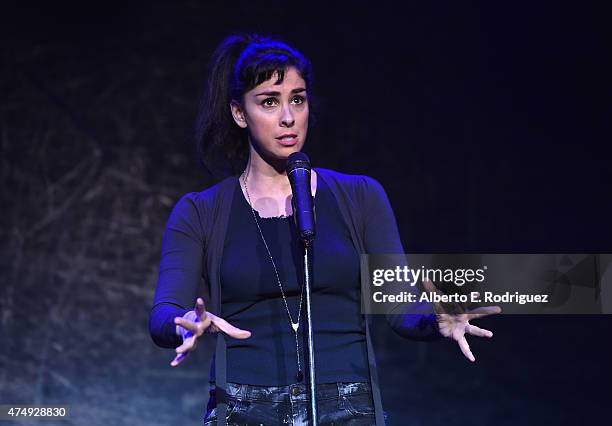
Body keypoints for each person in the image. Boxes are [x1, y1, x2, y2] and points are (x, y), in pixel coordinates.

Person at [149, 33, 501, 426]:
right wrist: (184, 324)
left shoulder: (360, 196)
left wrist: (433, 322)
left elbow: (399, 306)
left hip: (349, 405)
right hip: (245, 408)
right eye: (269, 102)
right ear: (239, 113)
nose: (288, 117)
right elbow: (163, 312)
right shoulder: (200, 212)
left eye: (297, 100)